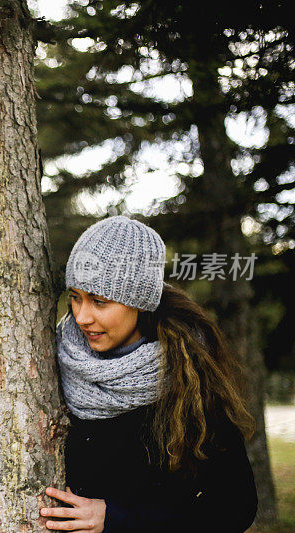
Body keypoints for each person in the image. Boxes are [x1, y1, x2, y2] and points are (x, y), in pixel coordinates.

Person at [41, 216, 258, 533]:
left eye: (99, 302)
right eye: (75, 297)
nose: (82, 316)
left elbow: (235, 507)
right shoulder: (56, 356)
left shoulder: (187, 377)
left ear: (140, 302)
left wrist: (117, 519)